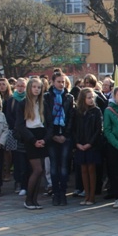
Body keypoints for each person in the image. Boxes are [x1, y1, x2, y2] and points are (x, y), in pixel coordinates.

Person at [15, 77, 53, 209]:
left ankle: (35, 200)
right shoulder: (23, 104)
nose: (36, 89)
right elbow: (20, 125)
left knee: (40, 171)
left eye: (39, 87)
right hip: (30, 137)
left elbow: (49, 124)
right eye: (34, 87)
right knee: (37, 169)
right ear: (29, 88)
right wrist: (33, 140)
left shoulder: (44, 103)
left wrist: (45, 139)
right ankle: (28, 200)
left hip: (42, 136)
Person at [43, 71, 75, 206]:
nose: (61, 84)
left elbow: (71, 118)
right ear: (53, 82)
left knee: (63, 167)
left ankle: (63, 193)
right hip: (52, 136)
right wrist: (53, 135)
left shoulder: (69, 97)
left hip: (65, 136)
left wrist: (65, 135)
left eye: (63, 82)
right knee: (54, 167)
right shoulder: (46, 97)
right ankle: (55, 193)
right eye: (58, 82)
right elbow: (46, 118)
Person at [73, 87, 103, 206]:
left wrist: (90, 143)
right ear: (83, 99)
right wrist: (77, 143)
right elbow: (74, 129)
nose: (91, 100)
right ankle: (86, 195)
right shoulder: (77, 112)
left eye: (92, 98)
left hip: (92, 145)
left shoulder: (96, 111)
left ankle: (92, 196)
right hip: (80, 144)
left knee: (91, 169)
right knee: (83, 170)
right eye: (89, 98)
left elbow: (98, 129)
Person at [4, 78, 28, 196]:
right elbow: (8, 116)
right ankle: (18, 182)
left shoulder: (28, 99)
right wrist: (16, 128)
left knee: (26, 160)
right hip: (15, 133)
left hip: (27, 133)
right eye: (18, 86)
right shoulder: (11, 100)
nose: (20, 88)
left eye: (22, 86)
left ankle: (26, 183)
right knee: (17, 159)